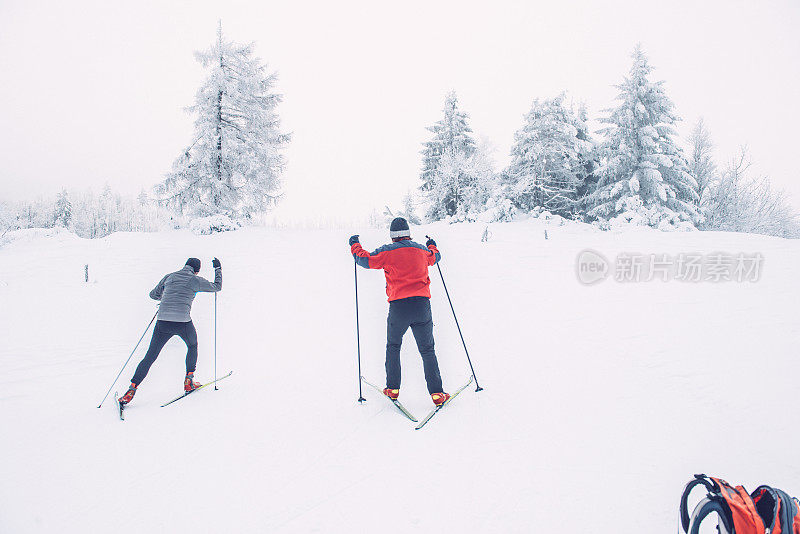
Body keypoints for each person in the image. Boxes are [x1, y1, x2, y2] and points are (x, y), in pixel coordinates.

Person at [350, 217, 450, 406]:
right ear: (408, 233)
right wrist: (432, 245)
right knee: (428, 350)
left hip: (399, 308)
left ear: (392, 236)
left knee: (393, 347)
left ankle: (393, 389)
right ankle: (437, 394)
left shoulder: (387, 252)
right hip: (422, 306)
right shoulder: (421, 250)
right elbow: (435, 257)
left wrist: (355, 244)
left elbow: (363, 260)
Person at [118, 257, 222, 406]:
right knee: (192, 346)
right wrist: (218, 269)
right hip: (183, 322)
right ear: (196, 270)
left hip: (163, 323)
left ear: (185, 265)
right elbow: (216, 287)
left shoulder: (170, 276)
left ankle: (131, 390)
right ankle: (189, 381)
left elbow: (153, 295)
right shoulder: (195, 280)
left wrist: (168, 293)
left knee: (150, 356)